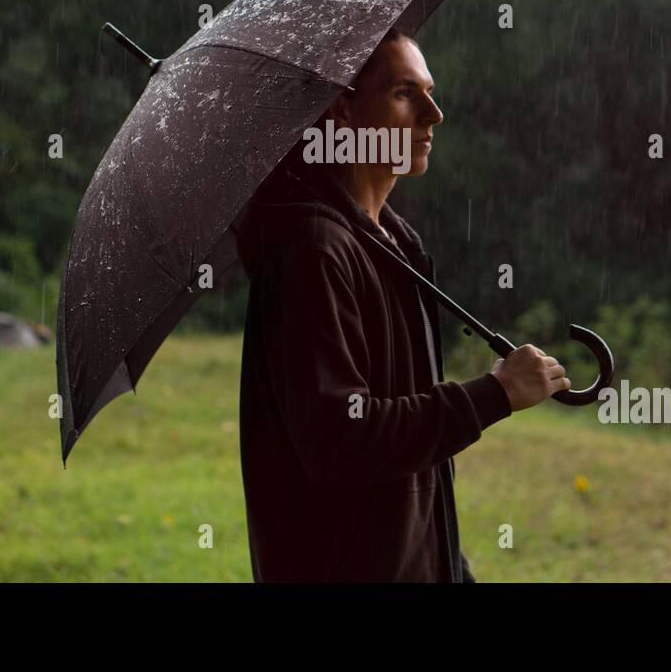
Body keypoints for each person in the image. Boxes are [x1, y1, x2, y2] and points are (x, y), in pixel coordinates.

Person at [234, 28, 571, 582]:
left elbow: (411, 467)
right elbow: (341, 440)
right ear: (344, 110)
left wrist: (449, 568)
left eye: (430, 92)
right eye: (404, 93)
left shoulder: (394, 245)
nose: (433, 114)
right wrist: (494, 394)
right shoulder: (311, 254)